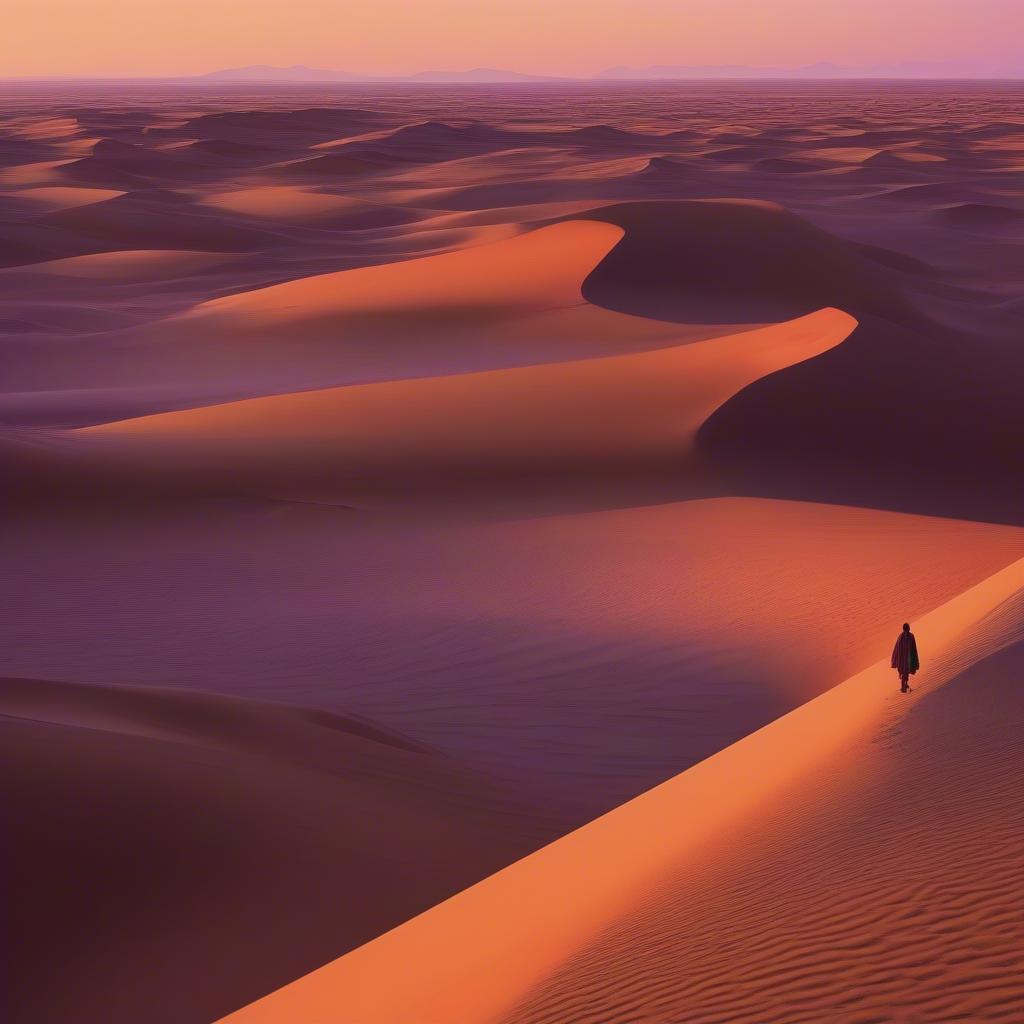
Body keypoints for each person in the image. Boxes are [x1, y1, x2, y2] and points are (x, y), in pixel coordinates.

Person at [891, 622, 920, 693]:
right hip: (902, 658)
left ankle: (905, 685)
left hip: (907, 658)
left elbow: (913, 648)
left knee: (905, 672)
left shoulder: (909, 636)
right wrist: (896, 659)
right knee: (903, 672)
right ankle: (903, 687)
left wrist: (914, 660)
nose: (907, 630)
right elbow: (897, 648)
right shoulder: (901, 637)